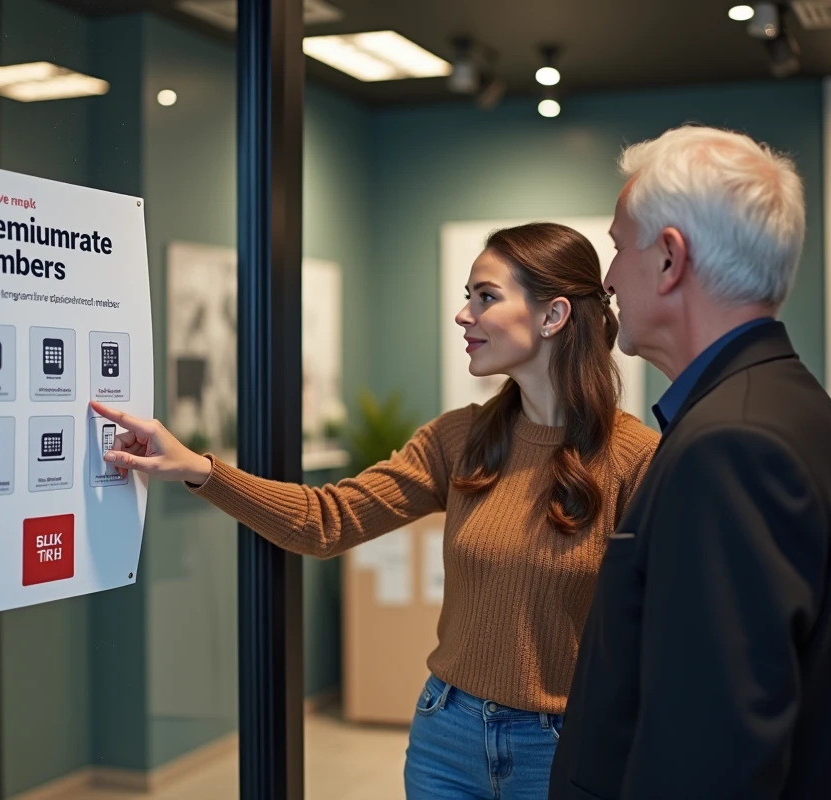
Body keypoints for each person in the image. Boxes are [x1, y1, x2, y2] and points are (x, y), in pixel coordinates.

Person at [93, 222, 659, 800]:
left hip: (563, 748)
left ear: (553, 316)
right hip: (447, 738)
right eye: (467, 296)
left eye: (486, 297)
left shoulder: (634, 460)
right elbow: (327, 520)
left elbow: (662, 636)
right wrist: (200, 469)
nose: (463, 315)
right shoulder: (459, 439)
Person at [549, 126, 831, 800]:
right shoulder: (792, 410)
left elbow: (708, 757)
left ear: (670, 259)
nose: (608, 280)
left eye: (619, 247)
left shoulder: (732, 447)